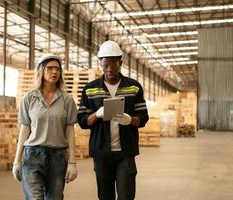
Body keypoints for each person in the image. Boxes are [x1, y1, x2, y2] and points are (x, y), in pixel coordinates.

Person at [77, 40, 149, 200]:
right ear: (100, 64)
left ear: (120, 63)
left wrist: (130, 119)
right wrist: (97, 114)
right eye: (105, 65)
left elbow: (143, 118)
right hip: (101, 153)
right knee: (105, 196)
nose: (109, 69)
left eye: (113, 65)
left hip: (126, 153)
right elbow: (82, 120)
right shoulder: (90, 89)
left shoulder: (133, 87)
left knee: (126, 195)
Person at [12, 54, 78, 200]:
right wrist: (17, 161)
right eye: (50, 68)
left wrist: (72, 162)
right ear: (41, 70)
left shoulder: (67, 100)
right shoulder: (29, 98)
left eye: (57, 69)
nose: (54, 72)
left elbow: (70, 131)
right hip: (32, 156)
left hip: (58, 157)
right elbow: (24, 130)